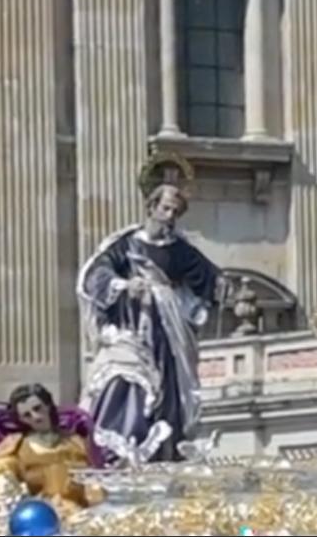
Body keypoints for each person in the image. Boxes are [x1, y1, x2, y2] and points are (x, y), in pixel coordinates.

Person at [78, 182, 220, 461]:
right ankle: (117, 448)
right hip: (130, 324)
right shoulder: (126, 243)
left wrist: (228, 289)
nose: (169, 216)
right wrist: (122, 284)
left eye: (175, 212)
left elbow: (209, 278)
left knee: (169, 383)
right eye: (165, 208)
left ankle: (166, 448)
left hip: (166, 325)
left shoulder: (179, 249)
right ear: (151, 207)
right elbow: (98, 272)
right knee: (123, 375)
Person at [0, 384, 96, 535]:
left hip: (78, 518)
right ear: (21, 420)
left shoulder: (76, 443)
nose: (36, 417)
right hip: (34, 520)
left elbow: (93, 480)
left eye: (38, 408)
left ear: (48, 406)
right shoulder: (16, 445)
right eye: (27, 415)